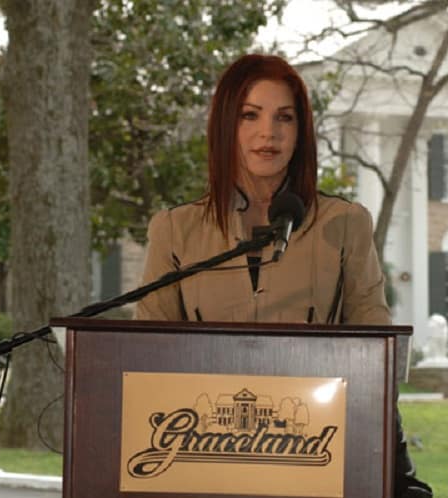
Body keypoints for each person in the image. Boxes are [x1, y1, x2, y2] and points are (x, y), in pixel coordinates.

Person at [135, 53, 432, 498]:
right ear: (224, 127)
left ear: (301, 132)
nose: (268, 132)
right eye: (249, 115)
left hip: (320, 457)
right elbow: (144, 364)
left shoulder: (346, 222)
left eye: (284, 118)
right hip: (203, 463)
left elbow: (378, 353)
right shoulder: (174, 229)